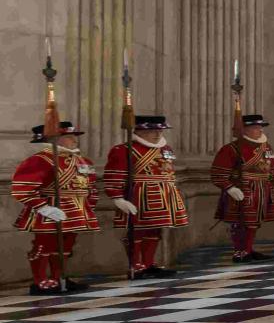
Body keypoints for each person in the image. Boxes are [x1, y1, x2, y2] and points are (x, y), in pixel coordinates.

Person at [10, 117, 97, 294]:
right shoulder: (40, 160)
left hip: (76, 208)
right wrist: (44, 208)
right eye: (69, 136)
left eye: (74, 136)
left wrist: (90, 205)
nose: (75, 139)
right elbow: (22, 188)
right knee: (44, 246)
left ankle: (60, 278)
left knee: (66, 246)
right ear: (54, 139)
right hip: (49, 208)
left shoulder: (83, 161)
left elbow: (90, 185)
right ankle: (40, 280)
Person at [103, 115, 189, 280]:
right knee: (137, 231)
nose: (157, 134)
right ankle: (135, 265)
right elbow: (114, 176)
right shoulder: (123, 150)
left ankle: (149, 264)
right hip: (140, 194)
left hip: (164, 193)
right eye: (152, 130)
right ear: (139, 131)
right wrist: (117, 198)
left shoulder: (166, 149)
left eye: (160, 130)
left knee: (155, 230)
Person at [212, 113, 274, 263]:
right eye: (255, 127)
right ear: (244, 130)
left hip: (261, 189)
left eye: (260, 127)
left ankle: (248, 249)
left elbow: (272, 169)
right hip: (241, 190)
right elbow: (218, 172)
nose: (260, 130)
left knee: (254, 222)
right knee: (240, 222)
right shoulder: (231, 149)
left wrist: (270, 185)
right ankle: (239, 251)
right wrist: (229, 188)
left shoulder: (267, 147)